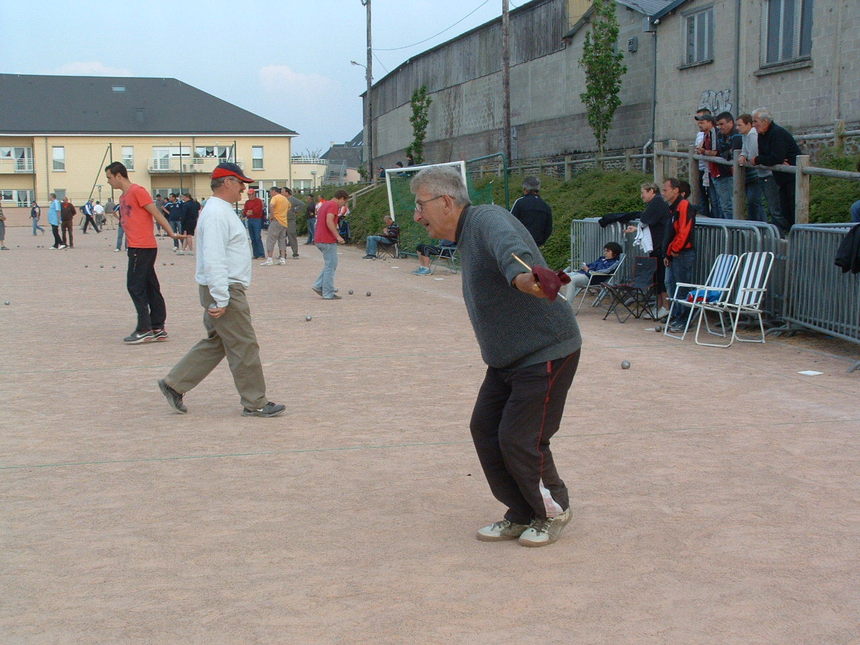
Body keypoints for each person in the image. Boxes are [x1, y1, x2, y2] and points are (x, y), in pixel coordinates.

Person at [410, 165, 581, 547]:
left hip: (544, 349)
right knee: (486, 429)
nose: (416, 215)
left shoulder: (487, 219)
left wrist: (528, 280)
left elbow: (514, 255)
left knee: (521, 438)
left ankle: (553, 511)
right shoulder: (465, 233)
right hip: (508, 359)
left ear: (446, 202)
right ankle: (520, 513)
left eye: (420, 205)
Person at [157, 162, 285, 419]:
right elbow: (213, 257)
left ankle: (174, 383)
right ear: (227, 182)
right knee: (244, 345)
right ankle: (255, 402)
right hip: (224, 287)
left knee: (219, 342)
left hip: (221, 287)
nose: (243, 189)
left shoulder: (218, 210)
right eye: (240, 183)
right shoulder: (217, 213)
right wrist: (222, 297)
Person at [105, 161, 182, 344]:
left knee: (134, 286)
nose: (108, 182)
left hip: (143, 247)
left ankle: (145, 328)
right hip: (135, 246)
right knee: (150, 286)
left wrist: (171, 233)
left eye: (109, 178)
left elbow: (156, 213)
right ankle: (158, 327)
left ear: (119, 175)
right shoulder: (123, 197)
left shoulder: (137, 191)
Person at [624, 182, 671, 317]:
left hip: (660, 246)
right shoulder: (655, 203)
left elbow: (645, 219)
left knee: (661, 277)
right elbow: (648, 223)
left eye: (643, 192)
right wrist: (636, 228)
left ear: (651, 191)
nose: (641, 196)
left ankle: (665, 307)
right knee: (657, 277)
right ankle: (659, 307)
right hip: (656, 246)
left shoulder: (657, 203)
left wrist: (639, 226)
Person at [752, 107, 801, 234]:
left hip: (793, 176)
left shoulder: (777, 133)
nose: (754, 125)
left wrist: (759, 159)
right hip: (781, 177)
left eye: (756, 121)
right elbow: (766, 155)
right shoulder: (761, 135)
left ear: (765, 121)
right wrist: (765, 159)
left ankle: (797, 234)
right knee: (784, 208)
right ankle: (788, 233)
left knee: (793, 207)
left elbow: (775, 157)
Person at [662, 178, 697, 333]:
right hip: (674, 252)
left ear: (675, 190)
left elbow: (684, 230)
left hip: (682, 252)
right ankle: (676, 317)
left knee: (681, 287)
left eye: (666, 190)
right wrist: (668, 253)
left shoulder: (683, 206)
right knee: (671, 284)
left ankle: (684, 319)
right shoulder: (673, 207)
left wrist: (675, 249)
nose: (664, 193)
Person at [311, 190, 349, 299]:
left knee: (330, 264)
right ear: (341, 198)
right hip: (327, 239)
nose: (343, 205)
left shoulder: (325, 204)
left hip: (320, 238)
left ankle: (319, 285)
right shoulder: (333, 205)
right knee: (330, 266)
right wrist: (337, 236)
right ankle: (328, 292)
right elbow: (329, 221)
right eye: (344, 202)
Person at [736, 114, 766, 222]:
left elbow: (753, 154)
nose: (737, 128)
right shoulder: (745, 135)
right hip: (754, 171)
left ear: (748, 124)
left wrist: (746, 157)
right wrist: (743, 155)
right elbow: (745, 149)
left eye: (740, 125)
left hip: (757, 172)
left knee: (754, 201)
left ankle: (762, 225)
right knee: (752, 201)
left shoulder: (753, 135)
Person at [510, 177, 553, 246]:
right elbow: (548, 229)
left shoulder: (520, 202)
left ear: (525, 189)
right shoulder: (545, 206)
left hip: (521, 243)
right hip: (536, 244)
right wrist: (540, 242)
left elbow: (510, 222)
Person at [694, 113, 721, 218]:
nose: (700, 125)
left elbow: (714, 152)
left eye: (702, 123)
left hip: (717, 171)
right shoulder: (706, 134)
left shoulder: (714, 132)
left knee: (718, 201)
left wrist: (703, 151)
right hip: (709, 170)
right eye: (699, 123)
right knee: (713, 199)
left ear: (710, 123)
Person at [262, 186, 289, 266]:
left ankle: (269, 259)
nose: (270, 194)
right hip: (284, 222)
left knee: (271, 240)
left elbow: (271, 206)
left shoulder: (275, 198)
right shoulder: (285, 199)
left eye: (270, 192)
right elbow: (289, 207)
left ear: (274, 191)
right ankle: (283, 259)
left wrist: (272, 216)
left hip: (276, 221)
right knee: (282, 240)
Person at [243, 188, 265, 259]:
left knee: (257, 237)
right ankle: (255, 254)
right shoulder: (247, 202)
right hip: (250, 220)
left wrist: (250, 212)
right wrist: (248, 212)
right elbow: (245, 211)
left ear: (254, 194)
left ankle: (261, 254)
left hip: (257, 220)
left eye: (251, 194)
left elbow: (258, 210)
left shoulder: (258, 201)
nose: (250, 196)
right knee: (252, 238)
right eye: (248, 194)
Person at [283, 187, 302, 258]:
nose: (281, 193)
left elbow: (301, 204)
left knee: (292, 236)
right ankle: (283, 253)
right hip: (283, 220)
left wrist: (295, 210)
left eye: (282, 192)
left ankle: (295, 253)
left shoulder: (292, 199)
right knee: (282, 237)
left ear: (287, 193)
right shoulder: (282, 199)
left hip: (291, 220)